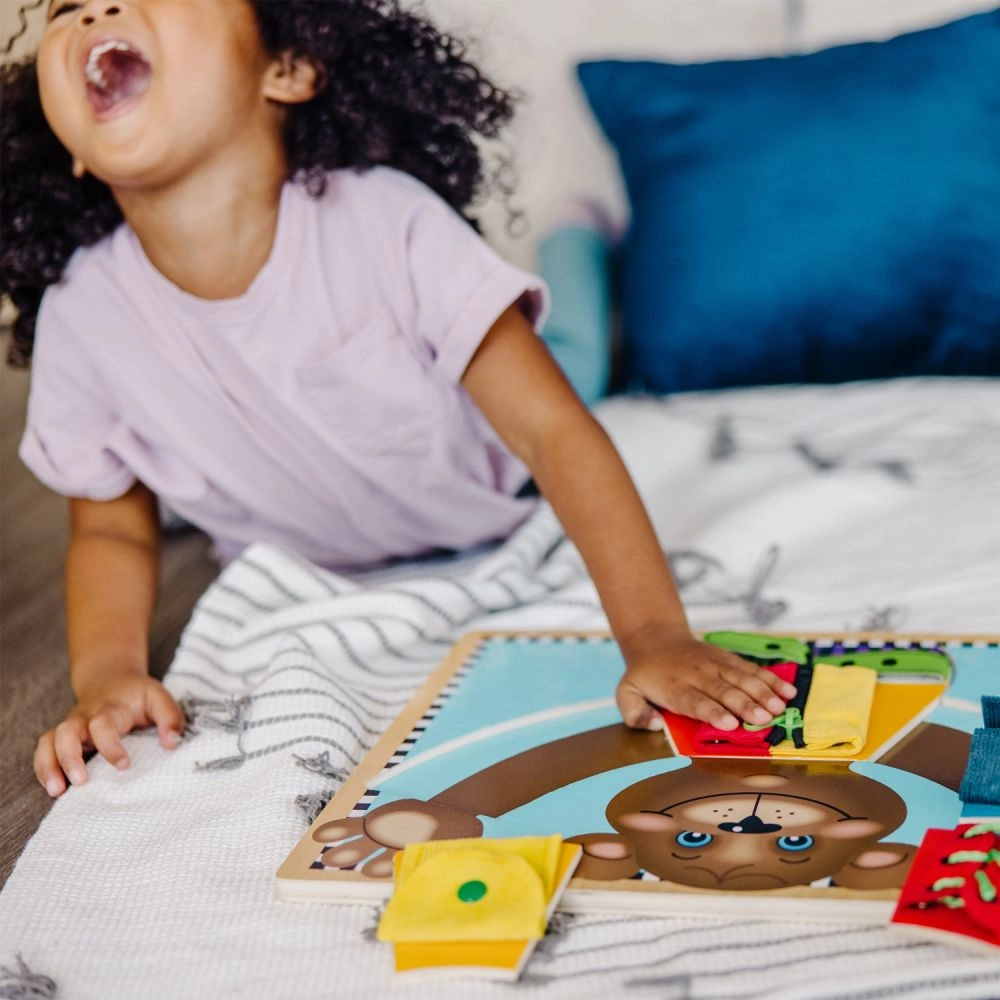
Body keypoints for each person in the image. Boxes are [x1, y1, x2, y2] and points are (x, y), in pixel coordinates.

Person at [1, 0, 794, 799]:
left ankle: (575, 234)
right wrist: (108, 677)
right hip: (319, 508)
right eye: (67, 9)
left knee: (581, 358)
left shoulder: (387, 220)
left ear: (288, 69)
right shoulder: (82, 316)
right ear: (70, 150)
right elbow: (109, 526)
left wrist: (654, 635)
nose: (97, 10)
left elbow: (551, 431)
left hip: (502, 449)